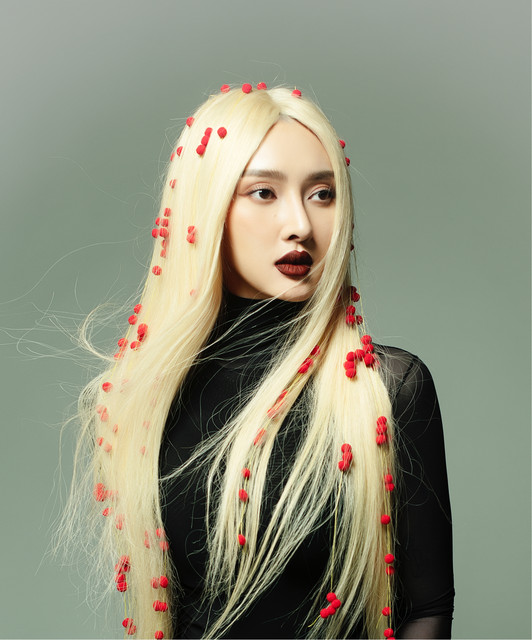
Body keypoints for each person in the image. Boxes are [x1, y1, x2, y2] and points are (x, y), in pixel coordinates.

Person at [61, 83, 454, 639]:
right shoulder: (142, 400)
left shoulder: (386, 389)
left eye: (322, 194)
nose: (301, 224)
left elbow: (428, 608)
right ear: (207, 206)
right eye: (264, 192)